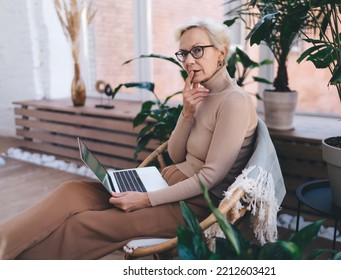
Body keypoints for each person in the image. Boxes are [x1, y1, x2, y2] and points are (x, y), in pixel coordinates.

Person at [0, 18, 258, 259]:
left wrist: (144, 200)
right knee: (72, 191)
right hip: (163, 184)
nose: (189, 60)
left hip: (193, 206)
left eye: (198, 50)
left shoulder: (234, 102)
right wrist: (187, 113)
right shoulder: (200, 95)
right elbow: (177, 156)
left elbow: (209, 178)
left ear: (221, 53)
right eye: (184, 54)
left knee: (84, 224)